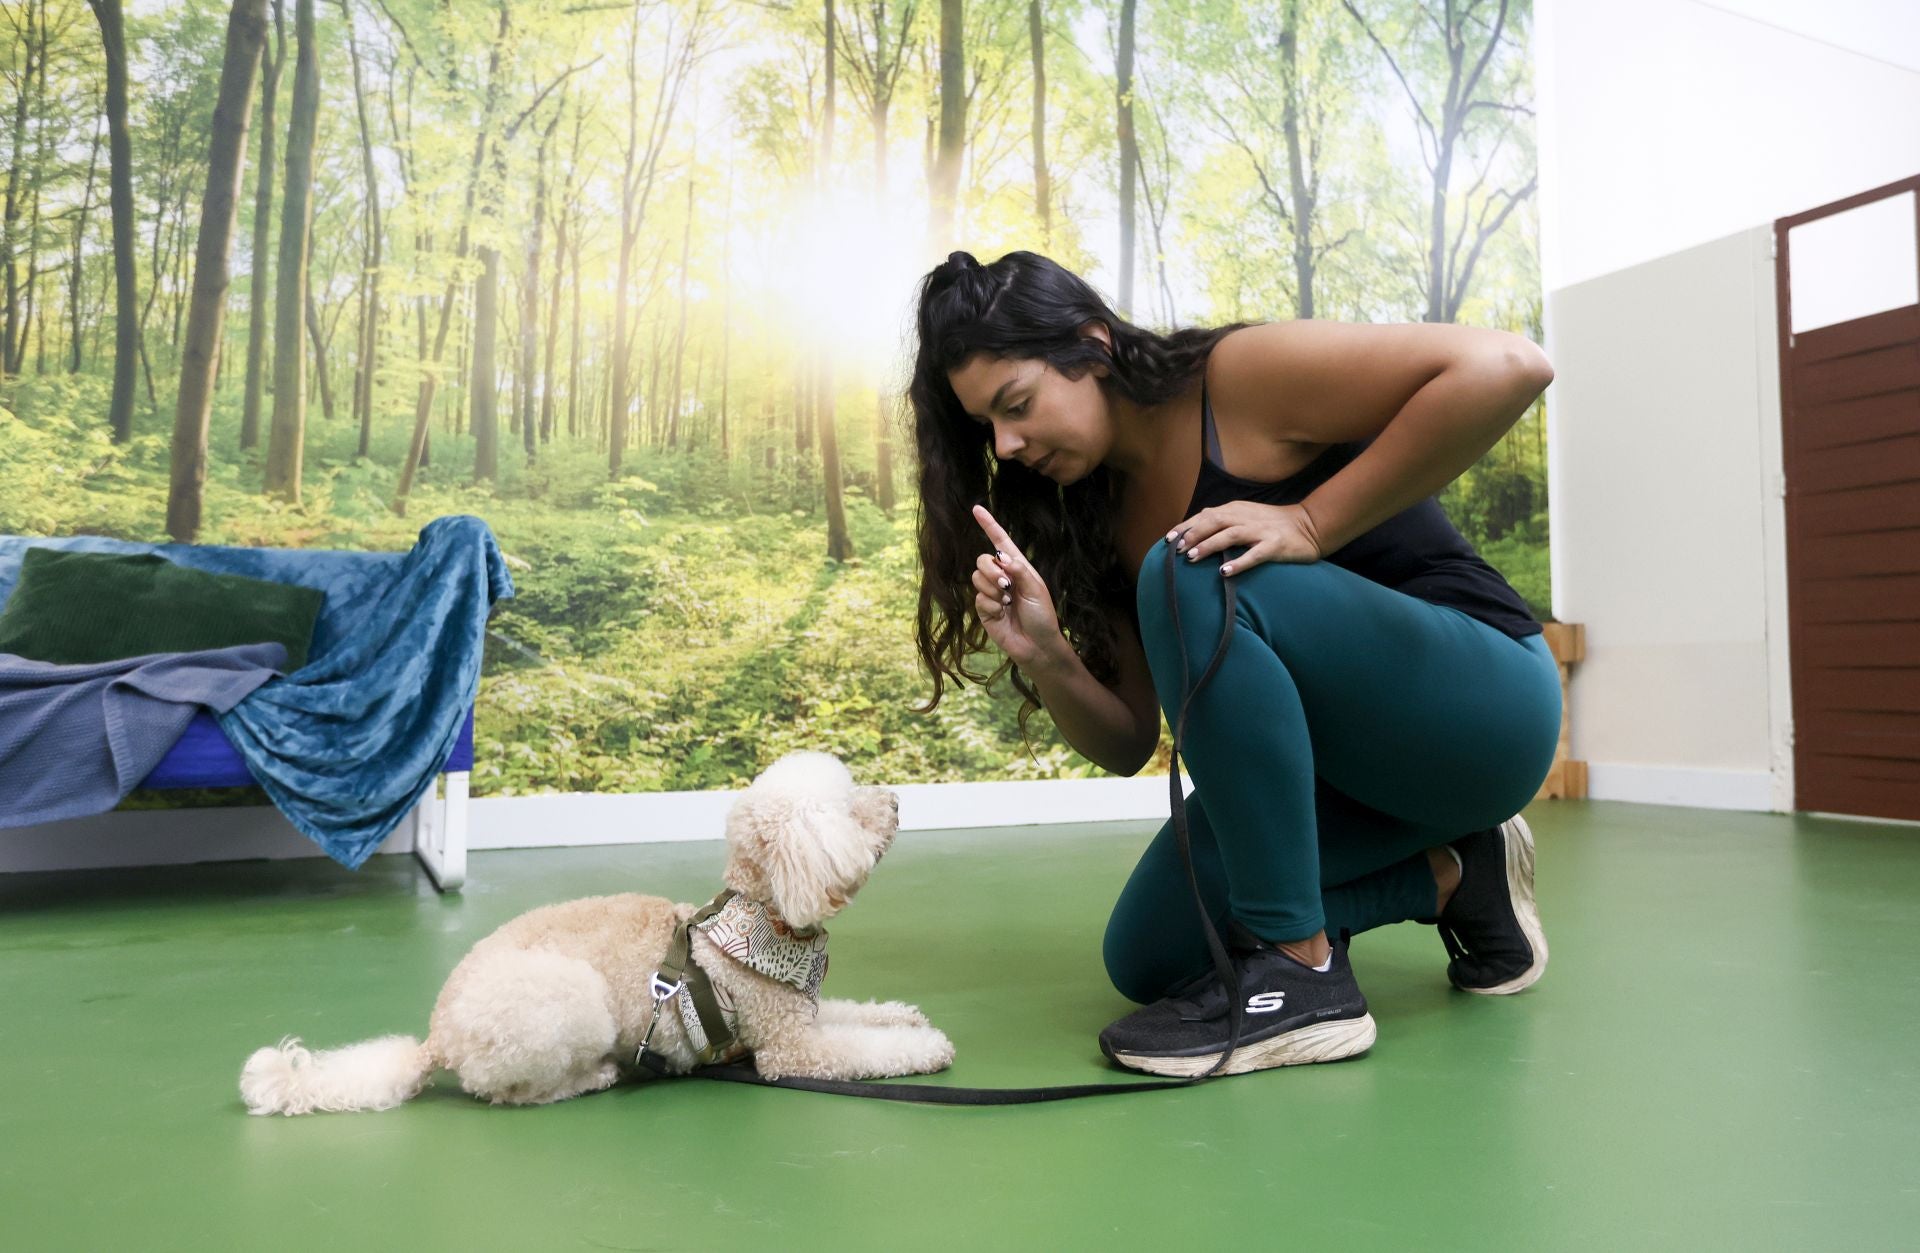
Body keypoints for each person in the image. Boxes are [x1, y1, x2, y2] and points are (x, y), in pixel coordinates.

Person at [906, 249, 1565, 1078]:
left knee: (1189, 562)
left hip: (1486, 708)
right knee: (1149, 954)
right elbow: (1123, 744)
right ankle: (1456, 877)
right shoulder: (1100, 520)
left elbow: (1509, 365)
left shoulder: (1236, 380)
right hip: (1350, 776)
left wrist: (1313, 522)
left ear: (1091, 343)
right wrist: (1051, 659)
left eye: (1017, 404)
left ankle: (1301, 973)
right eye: (986, 429)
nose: (1006, 445)